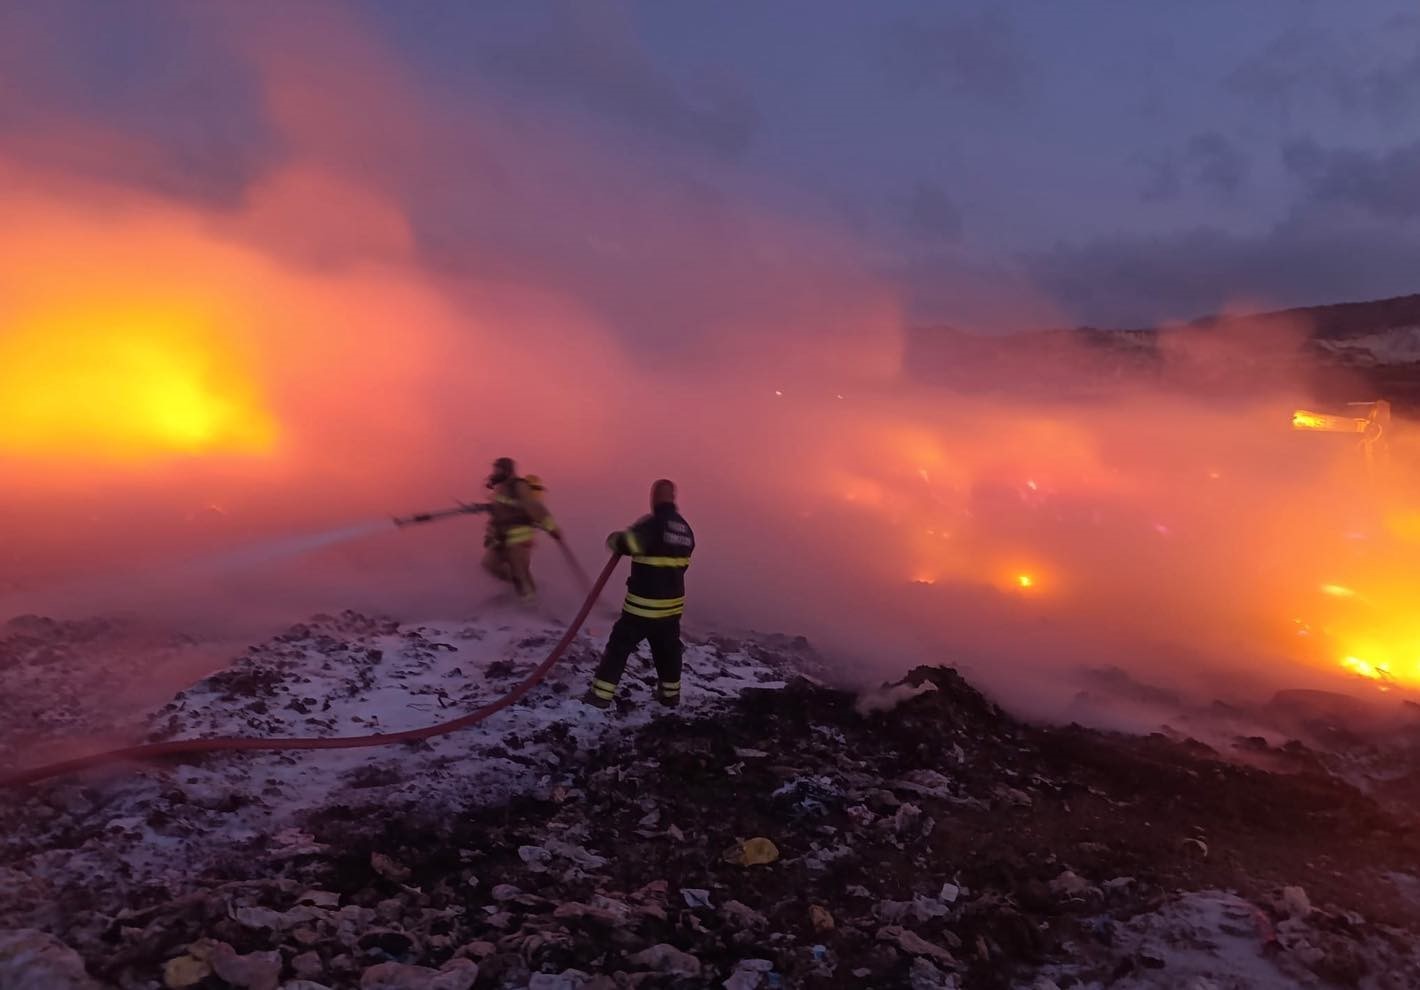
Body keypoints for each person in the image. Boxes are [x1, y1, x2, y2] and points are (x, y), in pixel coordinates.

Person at [585, 479, 694, 709]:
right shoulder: (685, 529)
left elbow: (629, 543)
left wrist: (615, 539)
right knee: (668, 650)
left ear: (654, 497)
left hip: (643, 606)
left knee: (619, 647)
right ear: (673, 498)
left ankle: (599, 697)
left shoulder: (652, 524)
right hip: (671, 608)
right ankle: (670, 696)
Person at [481, 457, 559, 603]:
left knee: (519, 569)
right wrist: (490, 534)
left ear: (507, 470)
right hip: (501, 536)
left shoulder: (519, 485)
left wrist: (551, 527)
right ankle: (521, 589)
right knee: (490, 565)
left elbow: (534, 507)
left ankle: (531, 604)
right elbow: (497, 514)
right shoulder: (500, 489)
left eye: (498, 469)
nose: (494, 473)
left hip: (520, 535)